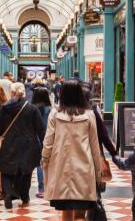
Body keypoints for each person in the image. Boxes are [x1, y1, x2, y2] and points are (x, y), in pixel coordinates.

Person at [41, 80, 104, 221]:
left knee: (66, 209)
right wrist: (98, 172)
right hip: (84, 167)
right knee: (81, 210)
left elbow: (48, 142)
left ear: (62, 94)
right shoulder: (89, 115)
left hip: (60, 168)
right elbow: (95, 146)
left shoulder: (55, 114)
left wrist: (44, 160)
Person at [0, 82, 45, 209]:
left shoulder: (4, 108)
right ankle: (25, 196)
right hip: (28, 145)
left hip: (8, 144)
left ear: (12, 93)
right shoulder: (32, 108)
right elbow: (40, 129)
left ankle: (8, 193)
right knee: (26, 172)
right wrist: (44, 145)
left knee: (6, 171)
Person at [31, 83, 52, 198]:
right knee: (48, 163)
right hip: (48, 137)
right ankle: (48, 188)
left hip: (35, 138)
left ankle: (41, 188)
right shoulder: (49, 109)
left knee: (39, 164)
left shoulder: (33, 108)